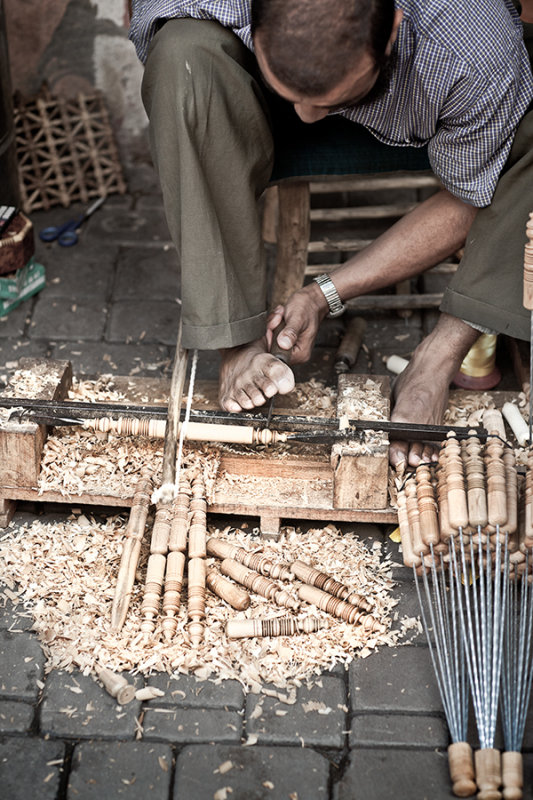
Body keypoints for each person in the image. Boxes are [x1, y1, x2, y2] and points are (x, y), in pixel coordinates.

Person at [130, 0, 533, 467]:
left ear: (392, 29)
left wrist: (326, 294)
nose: (306, 116)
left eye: (327, 100)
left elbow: (469, 198)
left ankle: (435, 362)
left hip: (429, 86)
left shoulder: (475, 43)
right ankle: (238, 347)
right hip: (258, 97)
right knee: (184, 53)